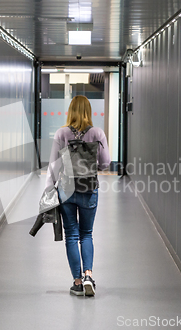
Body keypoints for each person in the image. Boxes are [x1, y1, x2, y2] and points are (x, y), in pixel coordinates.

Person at [46, 95, 111, 296]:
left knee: (72, 235)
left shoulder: (61, 133)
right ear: (88, 112)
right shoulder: (98, 133)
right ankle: (88, 275)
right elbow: (106, 163)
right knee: (87, 234)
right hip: (89, 188)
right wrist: (92, 162)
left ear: (71, 111)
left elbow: (54, 164)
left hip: (66, 189)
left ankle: (77, 281)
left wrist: (50, 187)